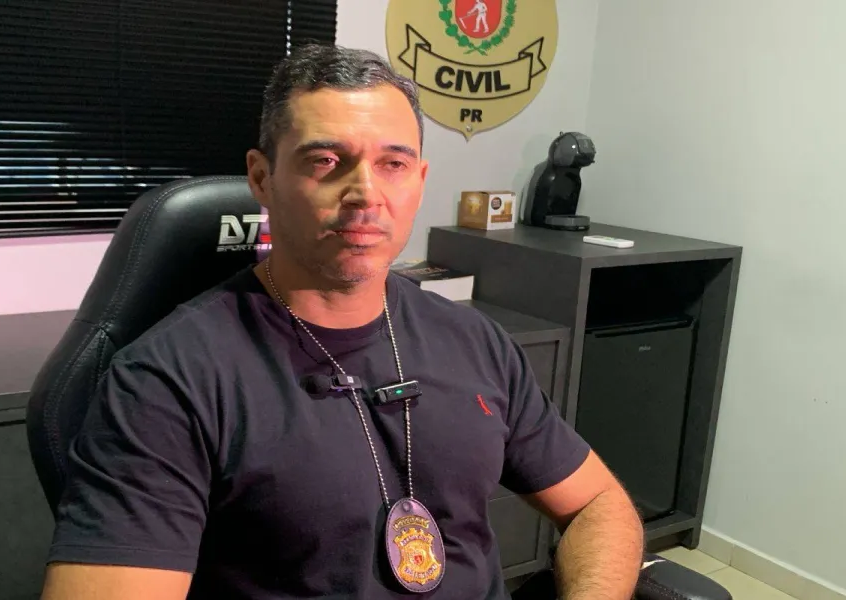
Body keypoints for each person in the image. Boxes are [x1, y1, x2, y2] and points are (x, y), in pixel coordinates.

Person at [40, 44, 644, 600]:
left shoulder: (474, 340)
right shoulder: (166, 381)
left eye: (393, 163)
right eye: (326, 160)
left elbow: (599, 505)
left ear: (420, 181)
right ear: (262, 178)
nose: (365, 193)